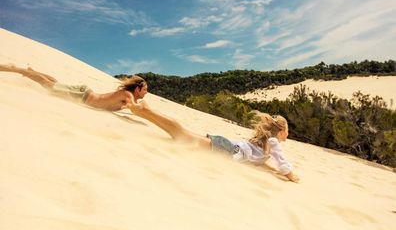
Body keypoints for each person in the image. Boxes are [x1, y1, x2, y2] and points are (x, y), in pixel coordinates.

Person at [127, 100, 300, 183]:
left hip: (225, 146)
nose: (288, 133)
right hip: (227, 148)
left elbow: (258, 161)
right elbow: (284, 165)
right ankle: (145, 111)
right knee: (181, 134)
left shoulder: (265, 144)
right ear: (282, 130)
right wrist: (293, 177)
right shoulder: (273, 142)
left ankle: (146, 112)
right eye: (287, 130)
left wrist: (271, 171)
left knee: (181, 135)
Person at [0, 64, 148, 111]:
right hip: (82, 96)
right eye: (145, 90)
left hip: (83, 93)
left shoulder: (127, 96)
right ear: (137, 89)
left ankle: (32, 72)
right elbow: (135, 109)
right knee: (49, 86)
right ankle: (18, 69)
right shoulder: (128, 96)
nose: (146, 93)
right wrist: (143, 108)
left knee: (54, 83)